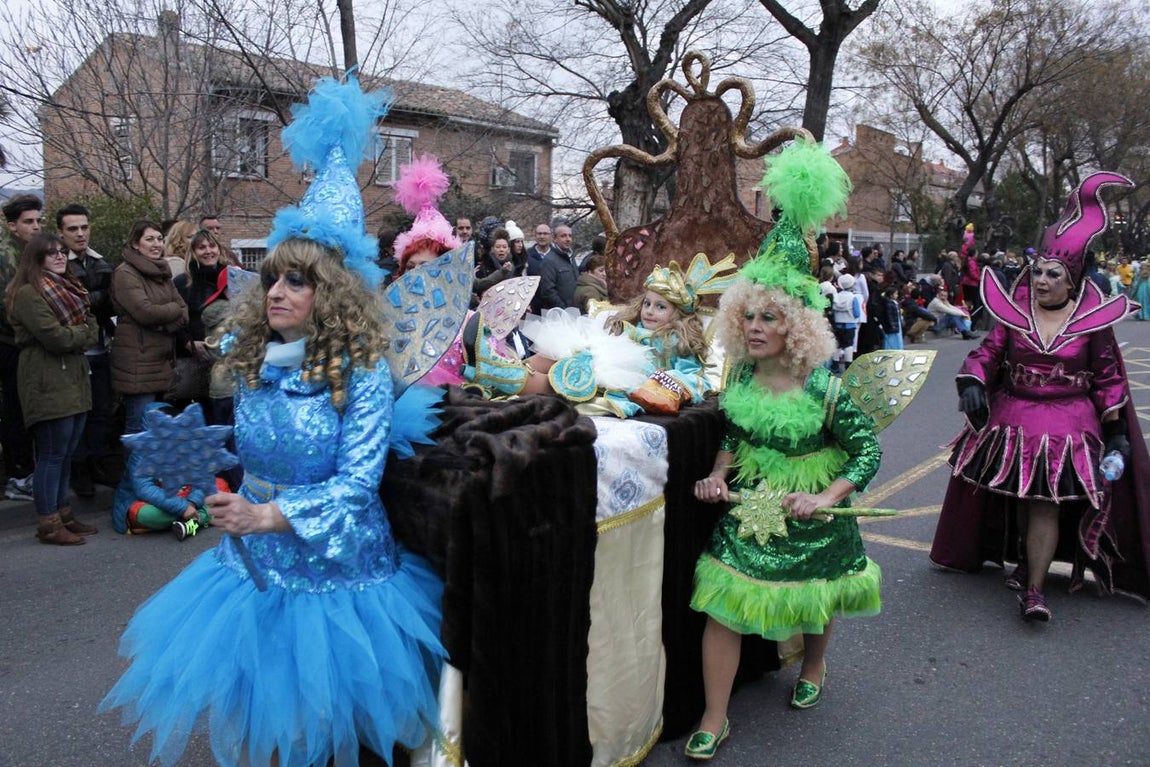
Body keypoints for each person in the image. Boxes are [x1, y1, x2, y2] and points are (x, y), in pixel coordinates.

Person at [101, 75, 446, 767]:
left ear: (335, 292)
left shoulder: (361, 370)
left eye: (298, 280)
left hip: (336, 574)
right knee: (266, 720)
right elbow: (248, 455)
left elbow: (355, 485)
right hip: (251, 566)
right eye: (274, 278)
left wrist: (269, 516)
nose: (279, 290)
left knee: (331, 731)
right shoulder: (255, 354)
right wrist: (223, 491)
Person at [686, 212, 882, 759]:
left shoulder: (826, 388)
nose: (754, 326)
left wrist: (824, 498)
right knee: (722, 605)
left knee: (814, 594)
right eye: (747, 315)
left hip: (811, 509)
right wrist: (717, 475)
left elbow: (868, 450)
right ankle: (714, 715)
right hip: (755, 505)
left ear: (795, 326)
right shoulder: (743, 377)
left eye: (769, 317)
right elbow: (734, 430)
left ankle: (814, 664)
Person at [930, 172, 1150, 621]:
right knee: (1022, 499)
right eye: (1039, 272)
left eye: (1054, 274)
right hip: (1013, 421)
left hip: (1068, 426)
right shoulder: (1013, 315)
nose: (1043, 280)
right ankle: (1028, 563)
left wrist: (1117, 434)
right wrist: (973, 381)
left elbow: (1108, 380)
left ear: (1072, 282)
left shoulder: (1093, 323)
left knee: (1044, 503)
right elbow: (986, 354)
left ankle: (1033, 590)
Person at [6, 233, 99, 544]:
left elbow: (92, 326)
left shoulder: (71, 289)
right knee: (51, 454)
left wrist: (79, 332)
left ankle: (63, 515)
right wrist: (81, 333)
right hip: (46, 378)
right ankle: (48, 522)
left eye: (62, 252)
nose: (61, 257)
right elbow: (55, 338)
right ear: (37, 259)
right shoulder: (28, 294)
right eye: (52, 253)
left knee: (67, 452)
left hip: (72, 376)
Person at [110, 220, 189, 434]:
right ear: (136, 244)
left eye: (159, 239)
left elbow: (184, 311)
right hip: (138, 363)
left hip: (162, 362)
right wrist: (172, 311)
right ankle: (133, 469)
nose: (156, 244)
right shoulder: (125, 273)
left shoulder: (161, 271)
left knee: (158, 430)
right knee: (138, 429)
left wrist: (164, 319)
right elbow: (145, 312)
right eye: (149, 239)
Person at [59, 203, 116, 497]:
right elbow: (71, 304)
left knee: (101, 411)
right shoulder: (57, 262)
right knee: (78, 414)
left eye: (84, 227)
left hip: (100, 346)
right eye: (73, 229)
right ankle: (79, 470)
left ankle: (96, 464)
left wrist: (94, 299)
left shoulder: (98, 260)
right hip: (74, 352)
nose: (80, 234)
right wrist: (97, 298)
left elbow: (109, 301)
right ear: (60, 232)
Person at [1, 193, 43, 500]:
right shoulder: (8, 255)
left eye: (38, 220)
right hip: (10, 343)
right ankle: (18, 476)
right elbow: (10, 306)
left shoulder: (27, 252)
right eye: (29, 222)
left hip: (22, 342)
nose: (36, 227)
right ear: (13, 225)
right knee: (16, 409)